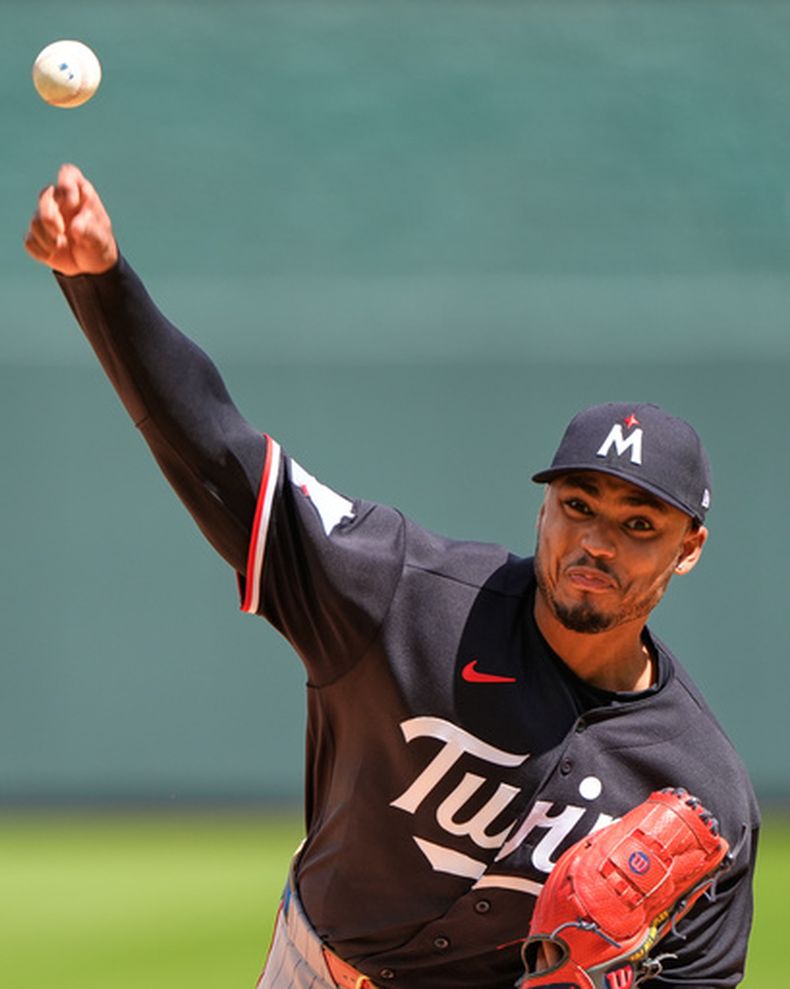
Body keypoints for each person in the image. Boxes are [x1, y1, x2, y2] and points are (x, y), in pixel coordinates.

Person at [25, 164, 759, 989]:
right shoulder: (403, 596)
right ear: (544, 510)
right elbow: (224, 456)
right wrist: (102, 286)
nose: (597, 541)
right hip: (315, 968)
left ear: (688, 547)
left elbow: (698, 976)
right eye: (579, 505)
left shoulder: (704, 792)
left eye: (638, 525)